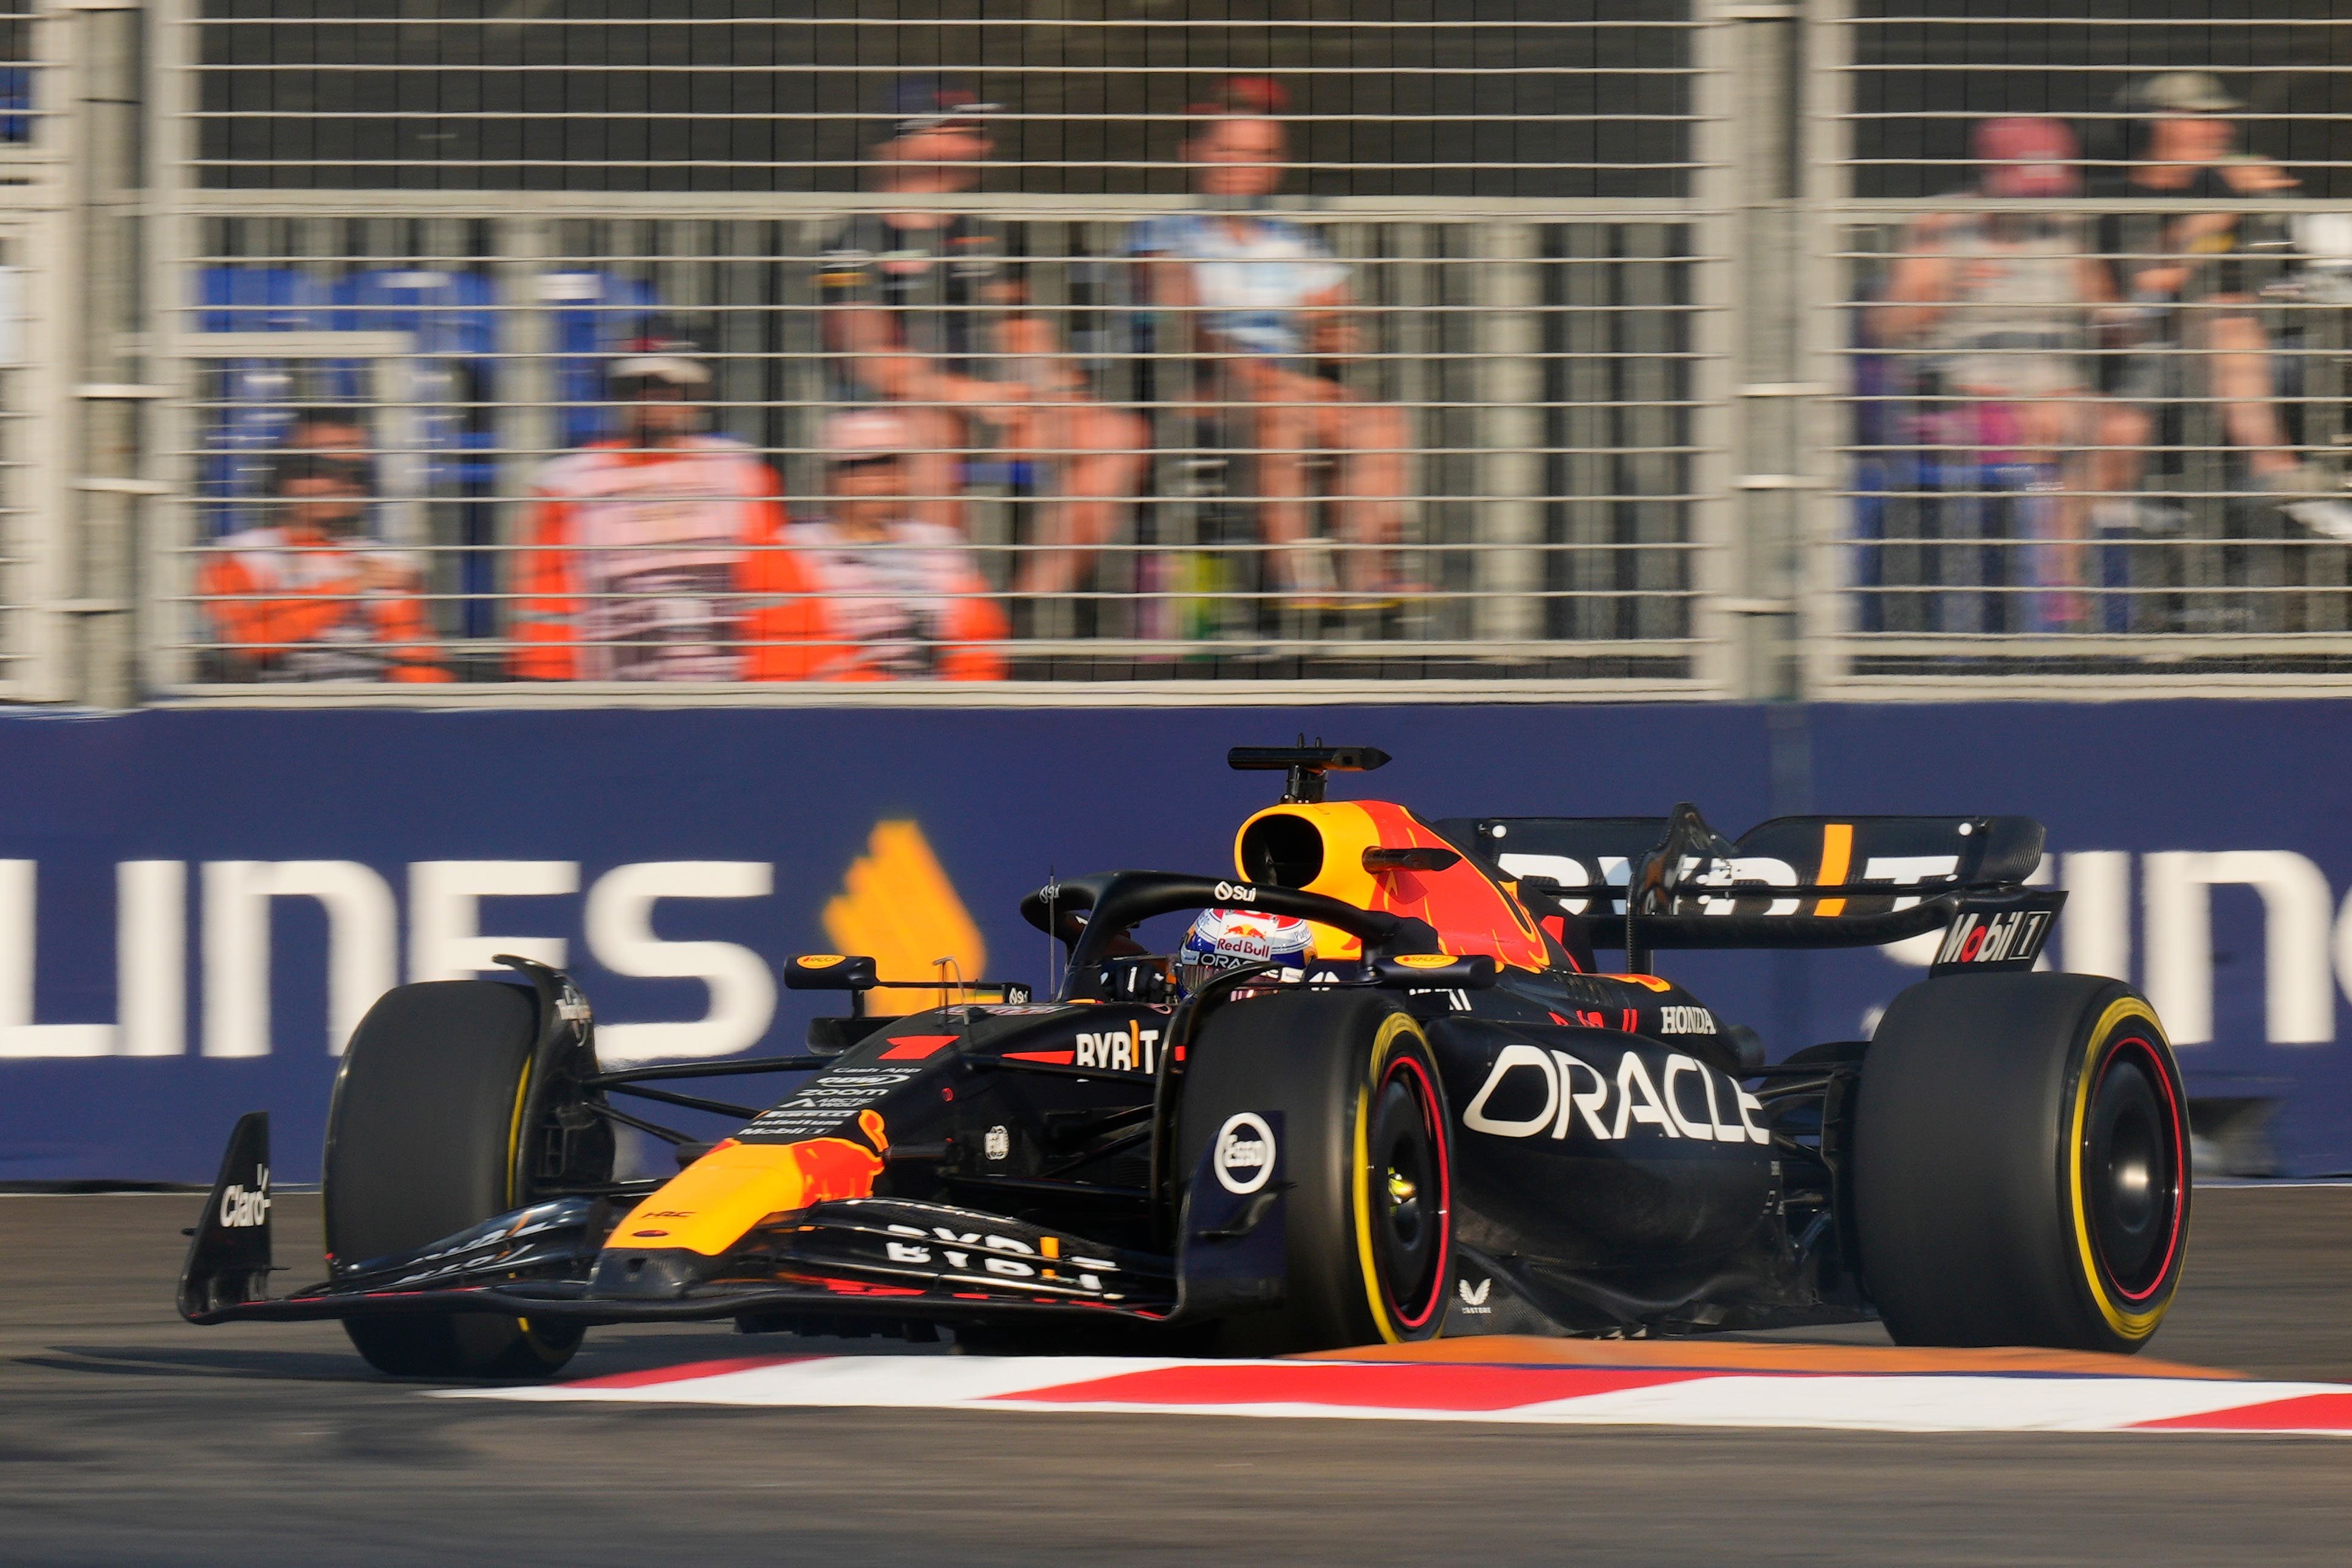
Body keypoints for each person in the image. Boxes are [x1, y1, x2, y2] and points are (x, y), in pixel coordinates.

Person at [817, 78, 1147, 601]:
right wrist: (973, 396)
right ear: (911, 137)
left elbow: (1023, 332)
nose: (982, 144)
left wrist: (1059, 392)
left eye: (979, 131)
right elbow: (869, 359)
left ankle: (1025, 621)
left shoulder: (985, 232)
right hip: (901, 420)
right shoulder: (855, 239)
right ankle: (948, 618)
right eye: (964, 130)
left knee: (1115, 435)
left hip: (989, 412)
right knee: (930, 431)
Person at [1125, 75, 1413, 603]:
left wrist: (1337, 332)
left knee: (1381, 420)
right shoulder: (1160, 233)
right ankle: (1294, 573)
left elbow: (1339, 320)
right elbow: (1185, 328)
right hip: (1194, 392)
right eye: (1228, 149)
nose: (1245, 165)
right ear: (1192, 153)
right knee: (1279, 406)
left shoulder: (1290, 240)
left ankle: (1370, 572)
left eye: (1260, 153)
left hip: (1284, 387)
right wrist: (1273, 375)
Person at [1871, 117, 2148, 626]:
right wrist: (1947, 287)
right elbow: (1886, 325)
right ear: (1991, 177)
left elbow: (2105, 307)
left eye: (2050, 189)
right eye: (2028, 188)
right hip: (1963, 402)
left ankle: (2055, 559)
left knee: (2123, 429)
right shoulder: (1942, 226)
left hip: (2057, 399)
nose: (2039, 202)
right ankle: (2054, 583)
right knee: (2061, 435)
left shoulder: (2063, 231)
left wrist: (2122, 317)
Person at [2091, 72, 2352, 540]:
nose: (2220, 130)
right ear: (2152, 125)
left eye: (2220, 118)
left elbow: (2322, 260)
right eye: (2201, 118)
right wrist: (2226, 204)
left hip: (2278, 347)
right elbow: (2146, 289)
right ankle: (2281, 476)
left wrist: (2291, 209)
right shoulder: (2116, 198)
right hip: (2165, 357)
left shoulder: (2227, 184)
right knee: (2223, 315)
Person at [509, 337, 788, 681]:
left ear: (696, 396)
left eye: (667, 388)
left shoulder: (740, 472)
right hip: (612, 706)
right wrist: (550, 695)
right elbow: (547, 609)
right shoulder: (567, 483)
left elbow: (776, 594)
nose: (650, 399)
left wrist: (775, 690)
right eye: (634, 388)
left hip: (732, 699)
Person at [742, 409, 1007, 681]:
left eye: (889, 464)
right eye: (857, 467)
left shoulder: (940, 545)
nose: (877, 480)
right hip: (847, 713)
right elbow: (795, 661)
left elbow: (978, 645)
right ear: (830, 478)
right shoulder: (789, 552)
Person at [199, 447, 448, 683]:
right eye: (314, 473)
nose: (335, 485)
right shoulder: (239, 555)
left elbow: (418, 671)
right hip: (272, 711)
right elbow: (248, 643)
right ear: (282, 483)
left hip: (370, 709)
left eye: (351, 477)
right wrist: (352, 587)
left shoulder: (386, 563)